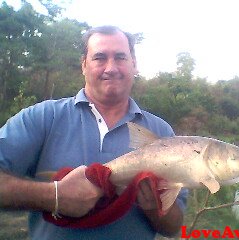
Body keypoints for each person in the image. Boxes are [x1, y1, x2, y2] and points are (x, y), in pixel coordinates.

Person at [0, 25, 188, 240]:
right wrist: (54, 196)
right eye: (100, 57)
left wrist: (155, 208)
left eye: (120, 57)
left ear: (134, 64)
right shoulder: (41, 117)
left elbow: (173, 227)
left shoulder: (161, 132)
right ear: (84, 65)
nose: (111, 68)